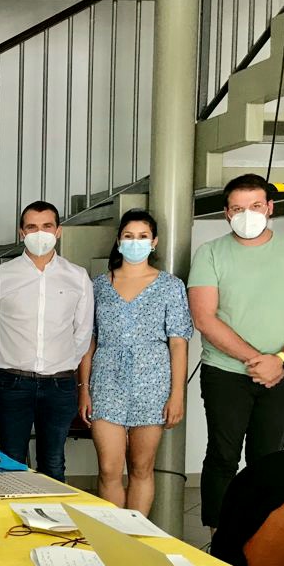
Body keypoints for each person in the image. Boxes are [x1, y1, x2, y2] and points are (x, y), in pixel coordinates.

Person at [187, 173, 284, 532]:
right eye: (237, 208)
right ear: (226, 213)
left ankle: (259, 540)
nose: (247, 215)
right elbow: (204, 318)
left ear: (270, 207)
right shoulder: (210, 253)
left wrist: (280, 360)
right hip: (225, 373)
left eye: (255, 206)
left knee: (268, 459)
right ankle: (220, 540)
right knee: (222, 456)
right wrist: (258, 360)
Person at [77, 209, 192, 515]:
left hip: (152, 383)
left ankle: (136, 536)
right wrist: (84, 389)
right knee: (108, 468)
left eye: (143, 236)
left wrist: (177, 395)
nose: (135, 242)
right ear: (119, 241)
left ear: (154, 242)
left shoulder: (170, 286)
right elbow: (89, 341)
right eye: (129, 236)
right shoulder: (98, 285)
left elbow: (178, 342)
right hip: (106, 381)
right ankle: (113, 535)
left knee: (141, 467)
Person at [0, 201, 92, 482]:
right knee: (11, 461)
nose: (40, 233)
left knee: (53, 462)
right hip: (12, 383)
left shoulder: (77, 277)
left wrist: (63, 363)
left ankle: (51, 513)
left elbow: (82, 333)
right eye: (32, 227)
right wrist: (4, 365)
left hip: (59, 384)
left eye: (47, 226)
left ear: (58, 231)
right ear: (22, 233)